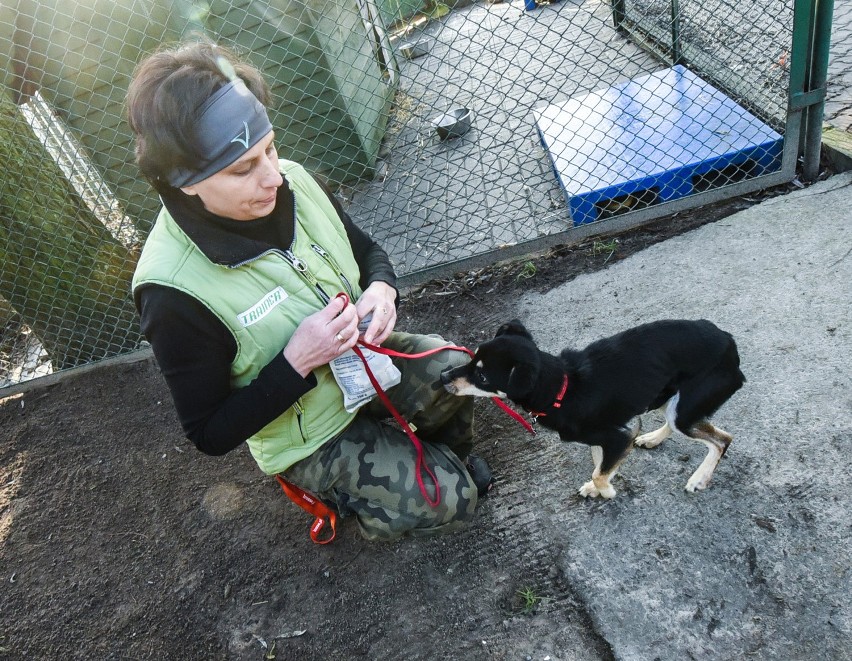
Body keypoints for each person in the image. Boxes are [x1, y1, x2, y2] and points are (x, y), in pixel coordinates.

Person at [127, 40, 492, 542]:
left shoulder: (296, 180)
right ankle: (343, 489)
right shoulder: (172, 293)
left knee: (456, 371)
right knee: (451, 500)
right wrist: (297, 361)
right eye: (241, 170)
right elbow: (209, 433)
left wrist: (382, 292)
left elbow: (367, 253)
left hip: (364, 363)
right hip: (309, 431)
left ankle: (440, 460)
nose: (272, 176)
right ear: (183, 181)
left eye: (270, 148)